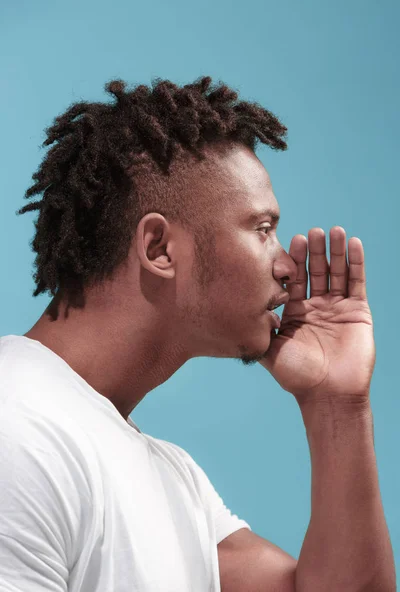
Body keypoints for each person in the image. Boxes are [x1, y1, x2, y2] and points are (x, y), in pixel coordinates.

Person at [0, 76, 395, 591]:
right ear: (160, 248)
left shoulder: (172, 477)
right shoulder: (19, 428)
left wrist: (337, 405)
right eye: (261, 229)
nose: (286, 267)